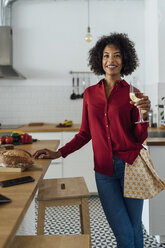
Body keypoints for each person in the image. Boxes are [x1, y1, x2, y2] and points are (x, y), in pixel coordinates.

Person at [33, 32, 151, 248]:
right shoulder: (89, 94)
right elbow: (85, 133)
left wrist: (144, 116)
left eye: (116, 55)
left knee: (134, 228)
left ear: (124, 60)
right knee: (123, 232)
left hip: (131, 167)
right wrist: (59, 152)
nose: (111, 60)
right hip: (104, 172)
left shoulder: (134, 94)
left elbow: (139, 137)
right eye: (106, 56)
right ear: (100, 60)